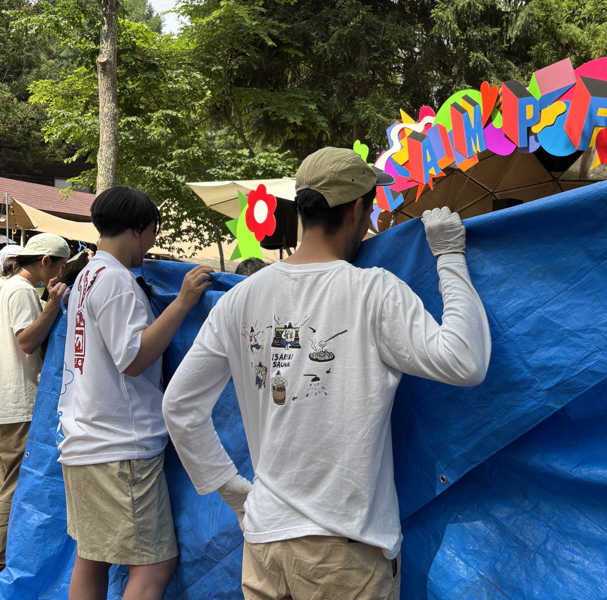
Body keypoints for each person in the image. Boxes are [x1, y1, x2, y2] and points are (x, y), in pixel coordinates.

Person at [162, 147, 492, 599]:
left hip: (265, 545)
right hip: (344, 554)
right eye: (370, 210)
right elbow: (465, 360)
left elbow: (179, 406)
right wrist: (450, 256)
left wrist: (235, 491)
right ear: (357, 208)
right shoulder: (373, 291)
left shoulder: (240, 299)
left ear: (303, 209)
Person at [57, 186, 213, 600]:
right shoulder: (115, 280)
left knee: (92, 556)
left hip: (84, 440)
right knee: (154, 564)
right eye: (153, 233)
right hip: (119, 448)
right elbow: (133, 358)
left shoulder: (88, 275)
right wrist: (183, 302)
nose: (152, 244)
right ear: (138, 229)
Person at [0, 233, 69, 570]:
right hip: (18, 402)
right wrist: (53, 304)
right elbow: (27, 341)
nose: (61, 273)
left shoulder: (7, 286)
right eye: (61, 266)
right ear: (45, 261)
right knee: (12, 487)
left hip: (7, 401)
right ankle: (3, 559)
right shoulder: (22, 291)